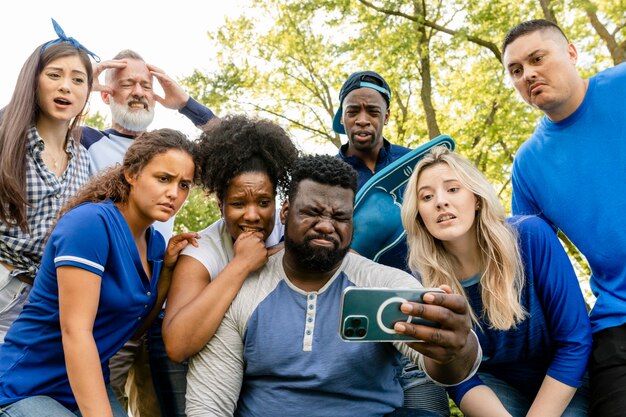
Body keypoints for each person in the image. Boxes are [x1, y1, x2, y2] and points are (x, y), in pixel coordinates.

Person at [185, 154, 481, 417]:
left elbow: (447, 368)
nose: (327, 226)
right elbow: (208, 405)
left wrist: (458, 348)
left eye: (340, 217)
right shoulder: (242, 290)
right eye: (312, 212)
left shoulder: (382, 283)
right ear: (285, 213)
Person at [0, 128, 199, 417]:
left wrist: (166, 270)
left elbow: (133, 328)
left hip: (80, 384)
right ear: (131, 174)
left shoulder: (155, 244)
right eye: (163, 179)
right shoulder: (90, 224)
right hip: (25, 385)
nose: (174, 193)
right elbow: (76, 331)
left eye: (184, 185)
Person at [400, 146, 592, 417]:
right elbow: (458, 373)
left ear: (476, 198)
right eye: (427, 197)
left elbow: (575, 341)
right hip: (495, 387)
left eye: (453, 189)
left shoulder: (531, 237)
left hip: (564, 379)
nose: (440, 202)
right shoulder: (424, 280)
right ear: (419, 214)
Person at [82, 49, 218, 417]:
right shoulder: (86, 140)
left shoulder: (175, 153)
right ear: (106, 94)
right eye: (127, 83)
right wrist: (83, 83)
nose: (140, 91)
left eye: (147, 84)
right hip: (105, 309)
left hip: (155, 304)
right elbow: (19, 124)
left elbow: (233, 148)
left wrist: (186, 104)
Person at [501, 19, 626, 417]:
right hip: (616, 320)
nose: (528, 74)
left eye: (537, 58)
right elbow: (533, 267)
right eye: (516, 70)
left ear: (571, 53)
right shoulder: (529, 164)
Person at [155, 114, 299, 416]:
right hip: (204, 373)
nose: (252, 215)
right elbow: (177, 345)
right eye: (237, 204)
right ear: (220, 204)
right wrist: (241, 265)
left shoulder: (295, 238)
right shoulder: (202, 250)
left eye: (263, 202)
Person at [0, 18, 95, 343]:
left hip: (48, 302)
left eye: (78, 79)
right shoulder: (5, 139)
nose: (66, 86)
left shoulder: (84, 159)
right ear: (34, 80)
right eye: (54, 75)